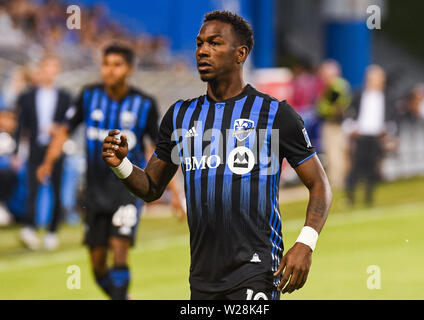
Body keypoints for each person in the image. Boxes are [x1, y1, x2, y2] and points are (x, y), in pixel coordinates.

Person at [102, 11, 332, 300]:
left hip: (257, 271)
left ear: (240, 53)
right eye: (199, 44)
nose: (202, 51)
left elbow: (320, 185)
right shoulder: (180, 116)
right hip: (202, 278)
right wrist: (121, 165)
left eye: (214, 43)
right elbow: (151, 187)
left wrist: (305, 243)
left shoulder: (275, 115)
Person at [36, 43, 186, 300]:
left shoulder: (144, 103)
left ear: (129, 69)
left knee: (119, 249)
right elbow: (64, 131)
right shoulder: (87, 96)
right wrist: (48, 162)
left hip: (127, 190)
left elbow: (160, 151)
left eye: (117, 65)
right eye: (106, 64)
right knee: (96, 264)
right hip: (94, 192)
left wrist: (173, 192)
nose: (110, 70)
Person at [15, 54, 72, 250]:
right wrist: (16, 152)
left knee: (57, 190)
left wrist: (58, 130)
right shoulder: (27, 96)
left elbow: (70, 125)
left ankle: (52, 231)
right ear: (41, 69)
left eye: (53, 67)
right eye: (46, 67)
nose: (49, 71)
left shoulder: (65, 97)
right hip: (35, 148)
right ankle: (29, 228)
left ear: (57, 71)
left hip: (56, 149)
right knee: (33, 189)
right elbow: (19, 126)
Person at [345, 65, 396, 206]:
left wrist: (387, 131)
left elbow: (391, 117)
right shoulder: (359, 94)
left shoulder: (386, 97)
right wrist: (352, 129)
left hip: (376, 136)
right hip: (361, 135)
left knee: (372, 168)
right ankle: (350, 197)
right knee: (356, 167)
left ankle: (369, 198)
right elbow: (349, 114)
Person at [316, 60, 351, 188]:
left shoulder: (335, 87)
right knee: (339, 153)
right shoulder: (341, 85)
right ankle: (339, 180)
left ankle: (336, 182)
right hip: (337, 123)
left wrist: (323, 108)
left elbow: (334, 107)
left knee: (334, 153)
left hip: (334, 124)